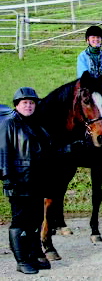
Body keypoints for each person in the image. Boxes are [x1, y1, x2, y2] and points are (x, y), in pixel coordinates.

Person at [0, 87, 52, 274]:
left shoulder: (37, 125)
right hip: (19, 182)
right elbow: (3, 152)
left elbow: (48, 151)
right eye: (25, 103)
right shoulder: (9, 123)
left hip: (36, 182)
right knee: (20, 222)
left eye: (32, 103)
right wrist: (7, 179)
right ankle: (21, 261)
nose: (29, 106)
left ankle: (32, 256)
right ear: (17, 105)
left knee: (35, 220)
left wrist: (71, 148)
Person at [77, 25, 102, 92]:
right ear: (87, 40)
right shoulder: (82, 57)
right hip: (87, 89)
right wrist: (101, 87)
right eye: (93, 37)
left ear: (101, 40)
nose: (96, 39)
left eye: (98, 37)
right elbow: (83, 77)